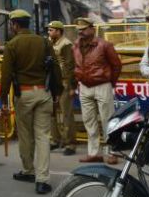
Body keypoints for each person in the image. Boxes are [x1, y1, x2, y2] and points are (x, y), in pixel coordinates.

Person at [1, 10, 58, 195]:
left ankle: (28, 171)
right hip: (44, 93)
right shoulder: (43, 41)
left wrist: (3, 100)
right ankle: (42, 180)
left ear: (14, 25)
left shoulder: (12, 44)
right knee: (42, 136)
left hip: (23, 95)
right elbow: (55, 68)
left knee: (25, 135)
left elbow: (6, 75)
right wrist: (57, 93)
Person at [73, 17, 121, 165]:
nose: (81, 32)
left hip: (102, 85)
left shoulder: (105, 45)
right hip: (84, 86)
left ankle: (112, 152)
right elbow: (75, 65)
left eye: (84, 29)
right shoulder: (75, 46)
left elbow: (116, 65)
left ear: (92, 29)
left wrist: (110, 82)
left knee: (109, 121)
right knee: (89, 121)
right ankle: (93, 153)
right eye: (79, 29)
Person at [48, 21, 77, 156]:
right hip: (52, 83)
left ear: (59, 31)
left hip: (65, 82)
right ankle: (55, 140)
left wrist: (72, 86)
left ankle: (70, 143)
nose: (49, 32)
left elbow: (71, 66)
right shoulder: (49, 43)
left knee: (66, 113)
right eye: (49, 30)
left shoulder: (66, 44)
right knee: (52, 113)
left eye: (52, 30)